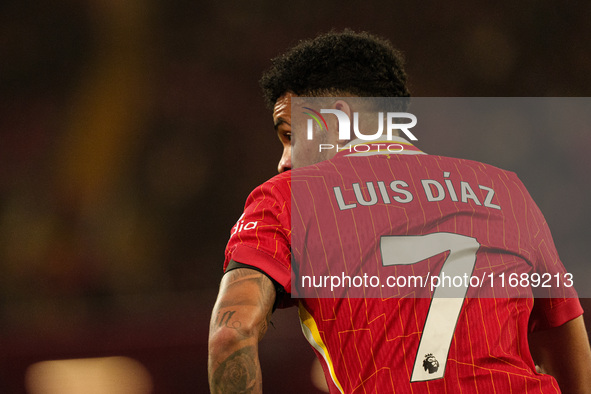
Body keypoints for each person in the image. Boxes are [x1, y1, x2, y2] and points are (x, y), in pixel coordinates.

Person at [208, 30, 591, 393]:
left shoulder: (288, 197)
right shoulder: (506, 189)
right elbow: (564, 341)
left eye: (290, 135)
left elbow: (231, 333)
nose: (284, 161)